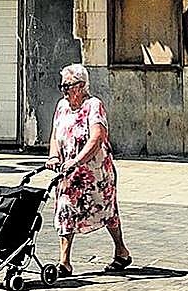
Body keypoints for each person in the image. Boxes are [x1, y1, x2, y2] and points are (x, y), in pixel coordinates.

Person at [45, 63, 132, 277]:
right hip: (68, 172)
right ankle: (64, 262)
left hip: (96, 172)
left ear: (82, 86)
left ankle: (121, 251)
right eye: (62, 86)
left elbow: (97, 137)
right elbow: (56, 135)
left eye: (68, 85)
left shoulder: (94, 105)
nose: (64, 90)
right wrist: (54, 156)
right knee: (65, 209)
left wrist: (77, 160)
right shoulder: (62, 106)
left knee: (107, 211)